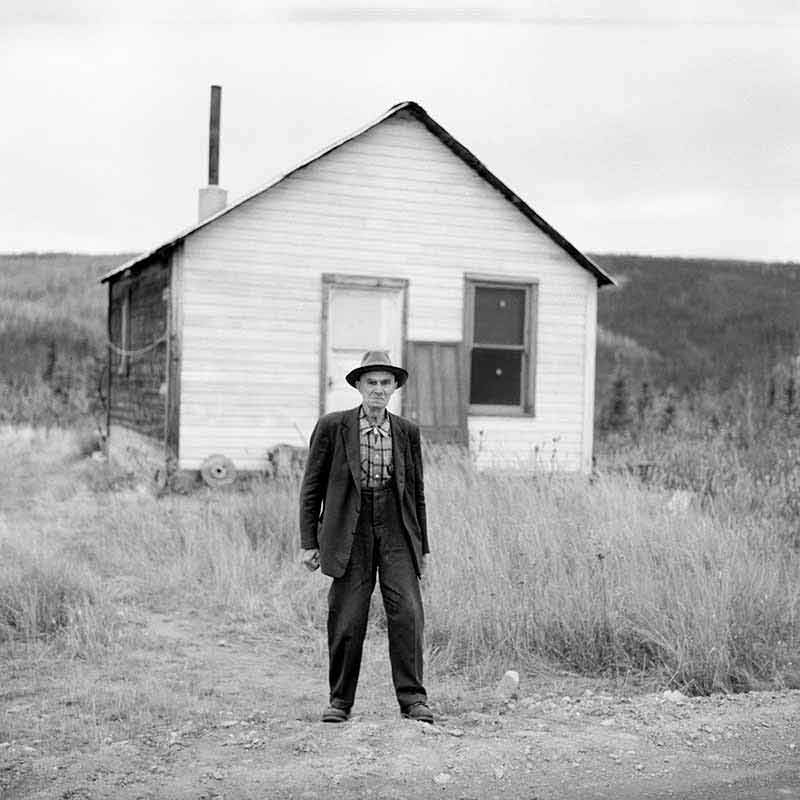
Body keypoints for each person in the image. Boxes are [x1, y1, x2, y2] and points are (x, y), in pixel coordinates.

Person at [299, 350, 433, 724]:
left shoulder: (406, 431)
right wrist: (309, 542)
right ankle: (340, 701)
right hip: (348, 531)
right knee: (347, 617)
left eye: (385, 382)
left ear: (394, 387)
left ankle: (413, 700)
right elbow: (311, 488)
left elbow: (416, 492)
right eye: (371, 382)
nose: (378, 389)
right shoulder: (333, 426)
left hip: (396, 530)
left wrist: (422, 546)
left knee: (408, 614)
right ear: (358, 386)